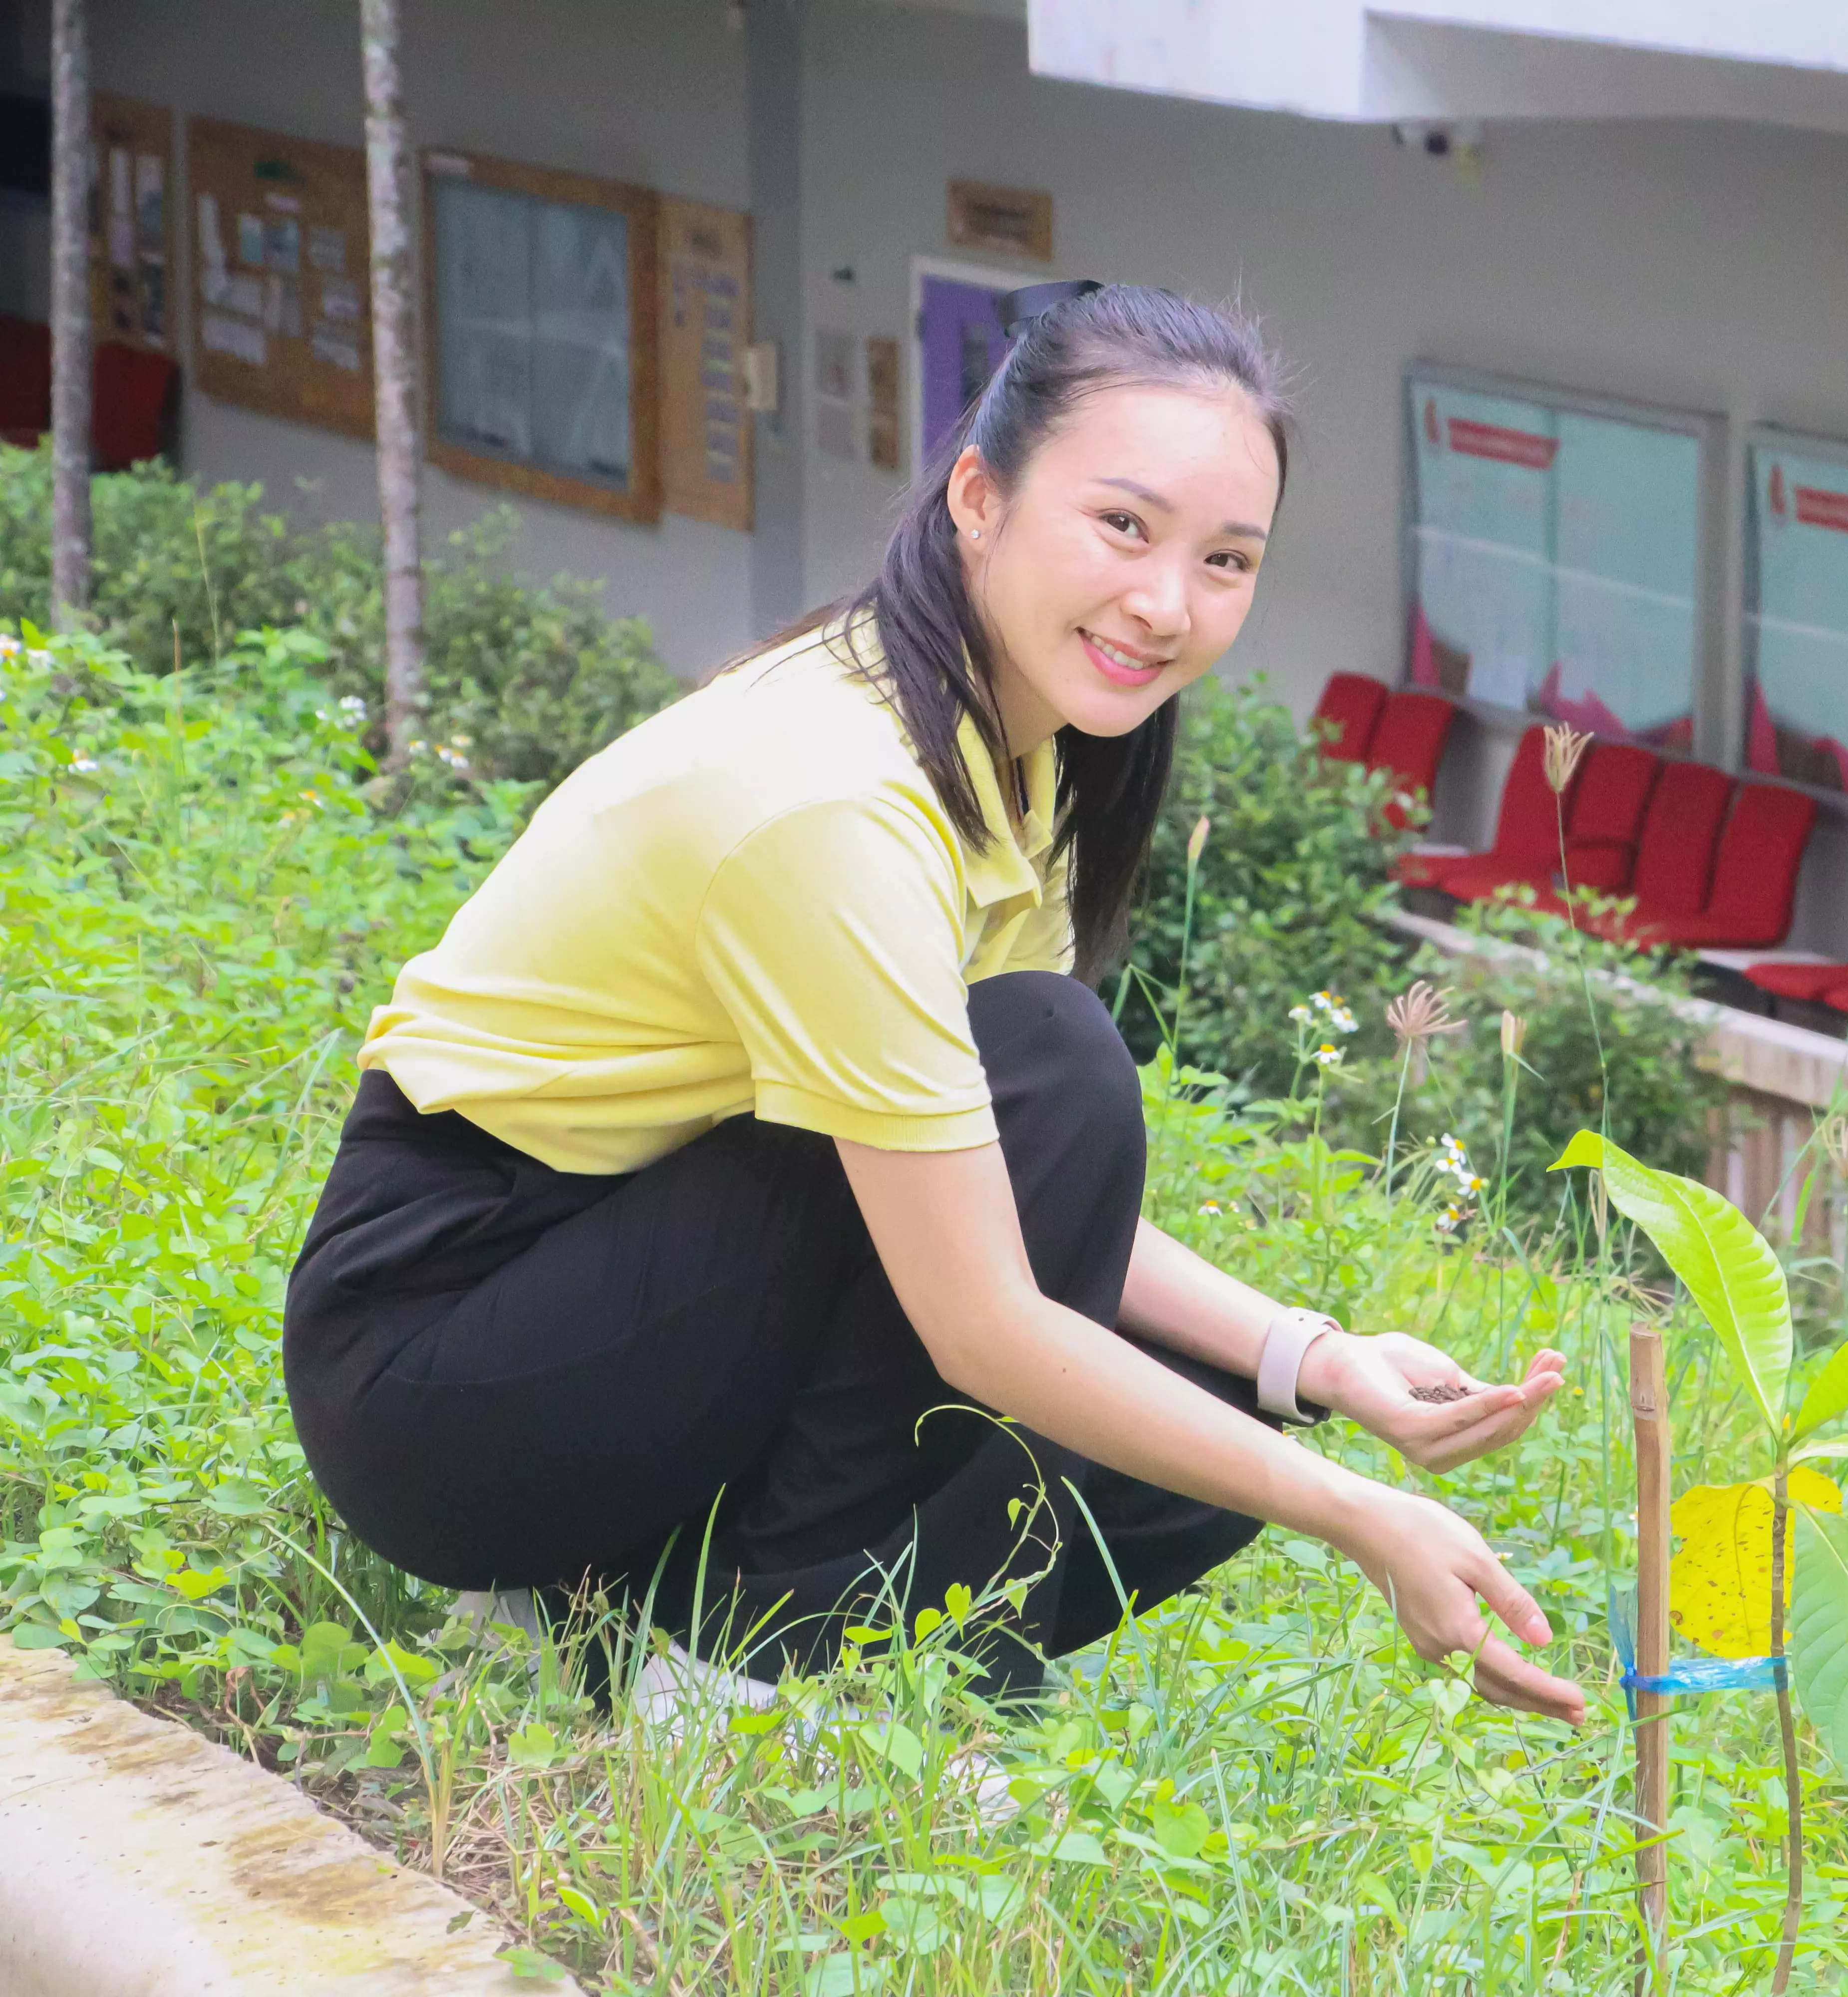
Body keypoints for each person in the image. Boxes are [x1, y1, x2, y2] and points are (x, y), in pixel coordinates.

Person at [282, 281, 1586, 1729]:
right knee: (1063, 1078)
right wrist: (1363, 1516)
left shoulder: (1005, 749)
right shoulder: (837, 799)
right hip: (447, 1366)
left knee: (1209, 1438)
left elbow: (979, 1176)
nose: (1168, 605)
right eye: (1124, 527)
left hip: (617, 1300)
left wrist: (1319, 1363)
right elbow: (983, 1307)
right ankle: (746, 1675)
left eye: (1227, 559)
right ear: (980, 494)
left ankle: (619, 1624)